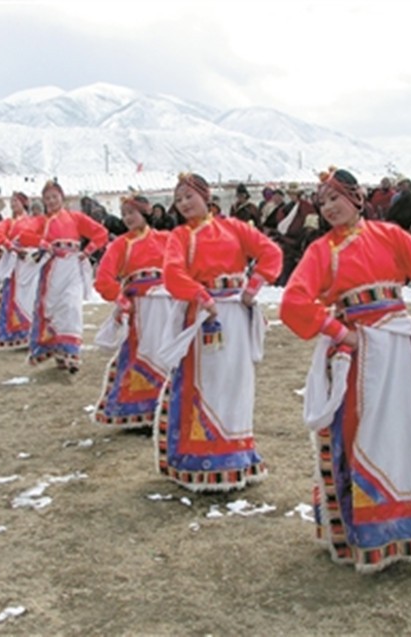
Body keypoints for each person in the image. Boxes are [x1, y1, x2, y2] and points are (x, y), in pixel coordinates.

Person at [280, 168, 411, 573]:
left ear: (356, 197)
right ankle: (360, 533)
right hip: (359, 354)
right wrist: (339, 331)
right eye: (322, 202)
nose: (328, 207)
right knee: (357, 433)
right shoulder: (322, 250)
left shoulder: (390, 236)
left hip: (396, 349)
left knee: (398, 435)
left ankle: (402, 531)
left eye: (335, 198)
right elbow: (294, 302)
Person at [159, 173, 282, 491]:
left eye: (189, 196)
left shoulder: (234, 227)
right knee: (208, 383)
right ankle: (201, 458)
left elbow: (271, 253)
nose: (184, 203)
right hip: (205, 316)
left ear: (206, 195)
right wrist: (201, 296)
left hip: (236, 314)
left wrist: (254, 286)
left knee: (237, 382)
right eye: (178, 199)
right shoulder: (180, 236)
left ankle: (239, 454)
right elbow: (172, 273)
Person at [92, 194, 170, 430]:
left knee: (165, 353)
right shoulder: (120, 245)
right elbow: (103, 279)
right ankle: (140, 412)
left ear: (145, 213)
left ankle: (165, 407)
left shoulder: (166, 239)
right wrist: (120, 297)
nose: (127, 218)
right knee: (140, 354)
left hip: (166, 304)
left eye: (131, 212)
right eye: (124, 213)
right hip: (138, 308)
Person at [29, 180, 108, 373]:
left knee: (72, 307)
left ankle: (73, 354)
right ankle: (59, 351)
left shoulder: (76, 218)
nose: (51, 201)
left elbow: (101, 233)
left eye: (54, 197)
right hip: (52, 268)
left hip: (72, 266)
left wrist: (87, 251)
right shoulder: (41, 221)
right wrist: (43, 243)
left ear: (62, 198)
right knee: (54, 309)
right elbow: (24, 234)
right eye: (47, 198)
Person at [0, 192, 44, 348]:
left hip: (32, 262)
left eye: (16, 201)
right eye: (11, 202)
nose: (13, 204)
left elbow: (44, 237)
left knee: (33, 296)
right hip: (16, 263)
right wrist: (11, 246)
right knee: (14, 297)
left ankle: (34, 333)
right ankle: (18, 335)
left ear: (23, 203)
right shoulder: (9, 222)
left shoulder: (34, 221)